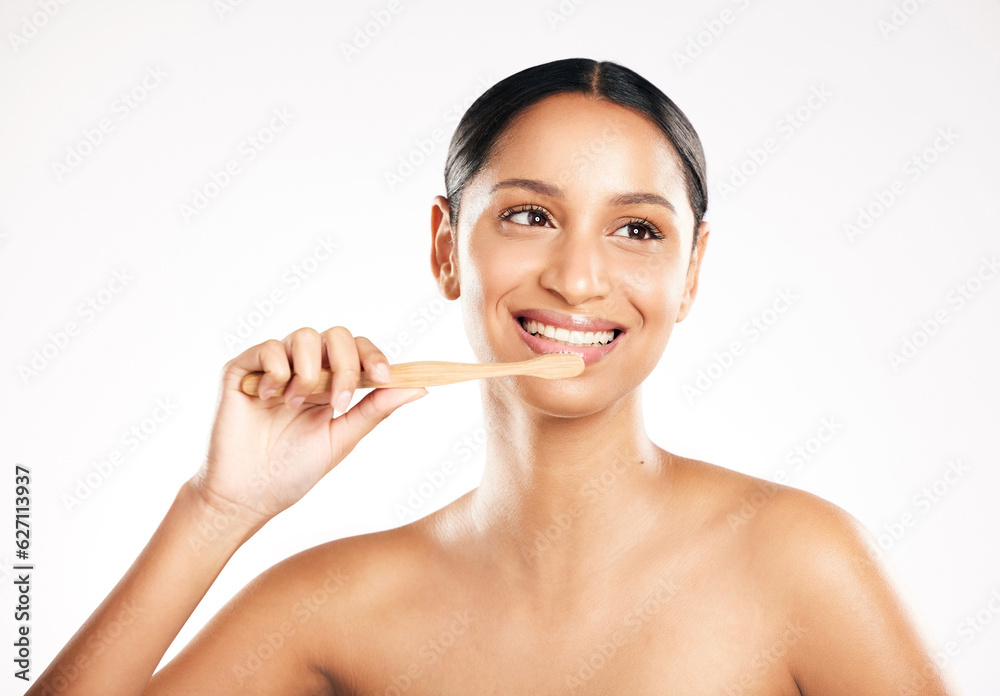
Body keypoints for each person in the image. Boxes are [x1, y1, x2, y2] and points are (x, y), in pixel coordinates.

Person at [29, 57, 959, 695]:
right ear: (445, 247)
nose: (579, 278)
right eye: (528, 216)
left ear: (694, 272)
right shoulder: (333, 604)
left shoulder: (800, 563)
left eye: (637, 230)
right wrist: (217, 510)